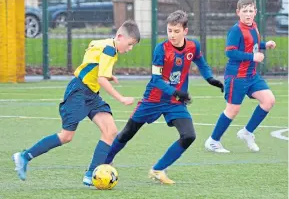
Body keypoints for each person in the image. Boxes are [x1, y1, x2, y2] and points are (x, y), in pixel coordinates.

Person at [12, 20, 141, 185]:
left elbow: (92, 60)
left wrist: (106, 74)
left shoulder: (104, 44)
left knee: (110, 130)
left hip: (91, 94)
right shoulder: (110, 50)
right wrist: (120, 98)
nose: (130, 49)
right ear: (120, 36)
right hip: (78, 92)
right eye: (130, 44)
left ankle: (90, 174)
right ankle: (24, 157)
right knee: (66, 136)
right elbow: (100, 77)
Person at [103, 10, 224, 185]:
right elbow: (156, 80)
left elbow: (201, 63)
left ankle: (158, 169)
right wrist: (176, 92)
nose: (172, 35)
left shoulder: (193, 46)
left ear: (185, 31)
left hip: (175, 103)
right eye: (169, 30)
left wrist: (211, 79)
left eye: (176, 31)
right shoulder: (161, 49)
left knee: (189, 135)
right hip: (153, 99)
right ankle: (104, 161)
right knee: (127, 133)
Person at [204, 0, 276, 153]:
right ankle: (213, 141)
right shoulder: (236, 30)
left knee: (269, 100)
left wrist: (265, 45)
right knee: (232, 110)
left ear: (255, 12)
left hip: (252, 75)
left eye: (251, 11)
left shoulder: (254, 26)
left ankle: (247, 132)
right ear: (238, 12)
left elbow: (252, 45)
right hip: (236, 76)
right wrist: (253, 57)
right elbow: (230, 52)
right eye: (245, 11)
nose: (248, 14)